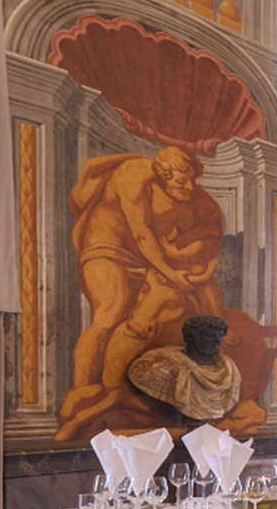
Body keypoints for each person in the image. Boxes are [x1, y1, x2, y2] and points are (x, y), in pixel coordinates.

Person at [59, 146, 225, 441]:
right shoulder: (133, 176)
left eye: (191, 180)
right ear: (162, 175)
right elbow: (142, 234)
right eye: (182, 182)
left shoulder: (188, 199)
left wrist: (180, 258)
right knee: (111, 311)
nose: (190, 187)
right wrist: (170, 272)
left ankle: (127, 392)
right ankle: (82, 390)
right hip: (108, 244)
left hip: (147, 256)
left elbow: (198, 240)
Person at [126, 314, 240, 422]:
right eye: (209, 336)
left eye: (220, 336)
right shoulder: (164, 364)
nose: (217, 341)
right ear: (191, 337)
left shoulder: (228, 369)